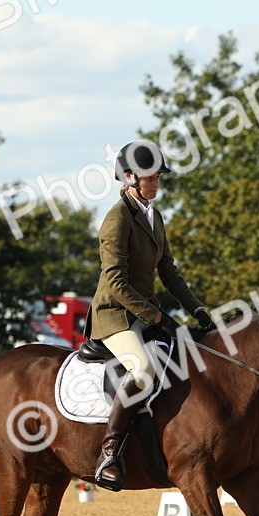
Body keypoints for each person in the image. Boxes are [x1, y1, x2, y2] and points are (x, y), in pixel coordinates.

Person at [90, 139, 214, 491]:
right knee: (143, 369)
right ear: (129, 177)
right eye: (150, 177)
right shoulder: (117, 220)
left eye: (158, 176)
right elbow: (114, 281)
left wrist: (198, 310)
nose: (156, 182)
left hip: (145, 314)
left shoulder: (154, 216)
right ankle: (110, 452)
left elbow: (170, 273)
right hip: (115, 316)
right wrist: (157, 317)